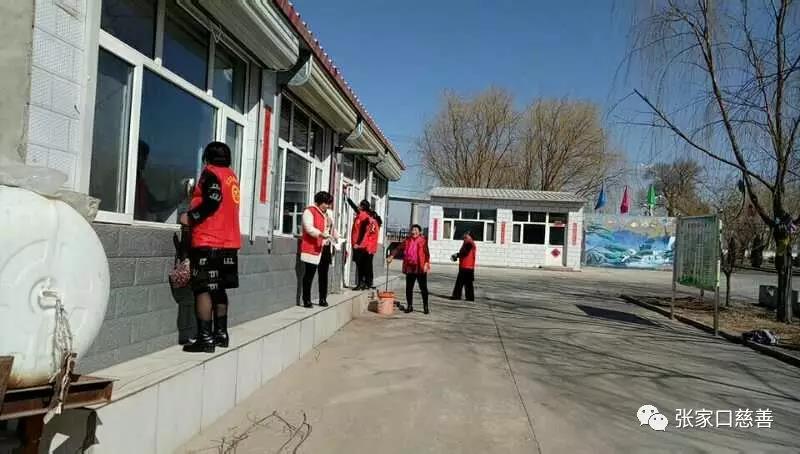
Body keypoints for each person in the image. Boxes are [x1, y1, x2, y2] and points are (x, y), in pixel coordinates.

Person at [179, 142, 241, 353]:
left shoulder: (210, 173)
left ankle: (205, 339)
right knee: (219, 287)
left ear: (207, 157)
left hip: (208, 240)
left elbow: (213, 199)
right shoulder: (231, 177)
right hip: (229, 243)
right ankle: (221, 334)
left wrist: (191, 217)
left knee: (203, 289)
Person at [301, 191, 335, 308]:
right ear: (319, 202)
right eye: (325, 203)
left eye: (329, 203)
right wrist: (320, 234)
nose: (327, 206)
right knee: (309, 274)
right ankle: (306, 299)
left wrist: (335, 236)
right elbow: (308, 228)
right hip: (313, 247)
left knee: (323, 274)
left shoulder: (328, 214)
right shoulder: (309, 211)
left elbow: (330, 229)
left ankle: (323, 298)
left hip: (325, 247)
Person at [387, 224, 431, 314]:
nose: (414, 232)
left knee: (423, 288)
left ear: (419, 232)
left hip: (420, 268)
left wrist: (426, 263)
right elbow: (398, 248)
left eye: (416, 230)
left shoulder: (423, 241)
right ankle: (410, 306)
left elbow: (427, 253)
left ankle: (425, 307)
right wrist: (391, 256)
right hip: (410, 268)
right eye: (412, 230)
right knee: (409, 288)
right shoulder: (407, 241)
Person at [348, 198, 372, 290]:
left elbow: (363, 232)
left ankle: (361, 283)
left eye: (359, 205)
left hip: (360, 246)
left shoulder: (364, 217)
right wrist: (347, 197)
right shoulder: (360, 215)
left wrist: (358, 244)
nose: (358, 206)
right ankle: (362, 283)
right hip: (357, 244)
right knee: (360, 265)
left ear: (362, 207)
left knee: (360, 265)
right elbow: (354, 207)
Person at [450, 231, 476, 301]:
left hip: (466, 266)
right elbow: (464, 252)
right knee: (468, 283)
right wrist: (457, 255)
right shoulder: (467, 242)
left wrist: (457, 255)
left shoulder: (469, 243)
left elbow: (465, 253)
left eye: (466, 234)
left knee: (460, 282)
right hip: (467, 266)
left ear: (469, 236)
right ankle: (470, 297)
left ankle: (456, 296)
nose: (465, 235)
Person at [361, 209, 383, 289]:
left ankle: (368, 282)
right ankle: (369, 282)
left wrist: (363, 245)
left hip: (369, 247)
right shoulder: (376, 224)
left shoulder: (373, 223)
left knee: (367, 266)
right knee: (369, 266)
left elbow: (368, 236)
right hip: (372, 247)